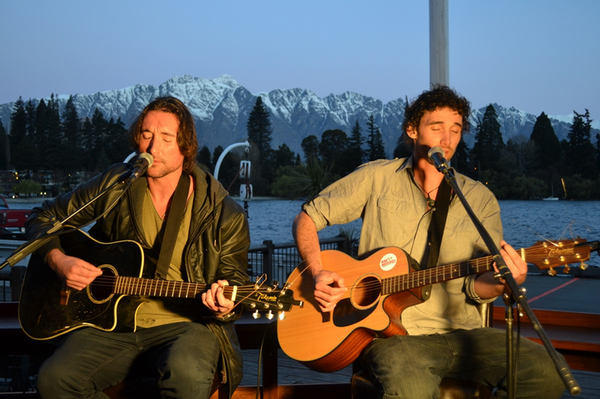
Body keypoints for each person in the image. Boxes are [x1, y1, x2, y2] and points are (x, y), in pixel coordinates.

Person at [292, 86, 566, 398]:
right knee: (410, 388)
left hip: (466, 335)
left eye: (456, 129)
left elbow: (477, 287)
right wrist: (317, 271)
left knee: (548, 371)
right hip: (396, 336)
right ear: (412, 130)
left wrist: (506, 281)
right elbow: (307, 218)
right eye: (437, 128)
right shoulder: (375, 177)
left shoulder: (479, 199)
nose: (447, 140)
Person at [25, 96, 250, 399]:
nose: (152, 148)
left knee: (186, 373)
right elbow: (43, 216)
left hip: (189, 326)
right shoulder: (117, 185)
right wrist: (59, 260)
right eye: (146, 135)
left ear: (185, 147)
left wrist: (225, 306)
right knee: (54, 380)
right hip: (112, 323)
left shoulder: (225, 212)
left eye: (166, 138)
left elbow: (234, 282)